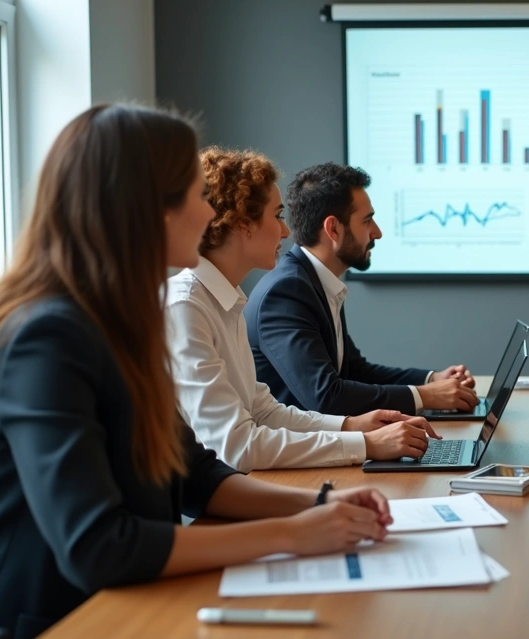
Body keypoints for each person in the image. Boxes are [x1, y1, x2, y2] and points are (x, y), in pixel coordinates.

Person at [0, 106, 394, 639]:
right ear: (147, 209)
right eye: (198, 195)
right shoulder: (47, 337)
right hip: (43, 624)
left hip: (115, 605)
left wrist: (321, 502)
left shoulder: (123, 322)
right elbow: (99, 546)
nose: (210, 214)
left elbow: (193, 474)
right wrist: (291, 534)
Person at [166, 148, 440, 472]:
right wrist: (366, 444)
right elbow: (237, 446)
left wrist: (352, 426)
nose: (285, 232)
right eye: (277, 216)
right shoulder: (186, 307)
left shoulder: (226, 300)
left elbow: (263, 411)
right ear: (243, 224)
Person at [244, 162, 479, 416]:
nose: (377, 233)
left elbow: (355, 371)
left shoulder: (314, 282)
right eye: (367, 221)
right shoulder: (286, 292)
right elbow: (325, 397)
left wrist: (432, 380)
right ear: (333, 229)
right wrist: (426, 396)